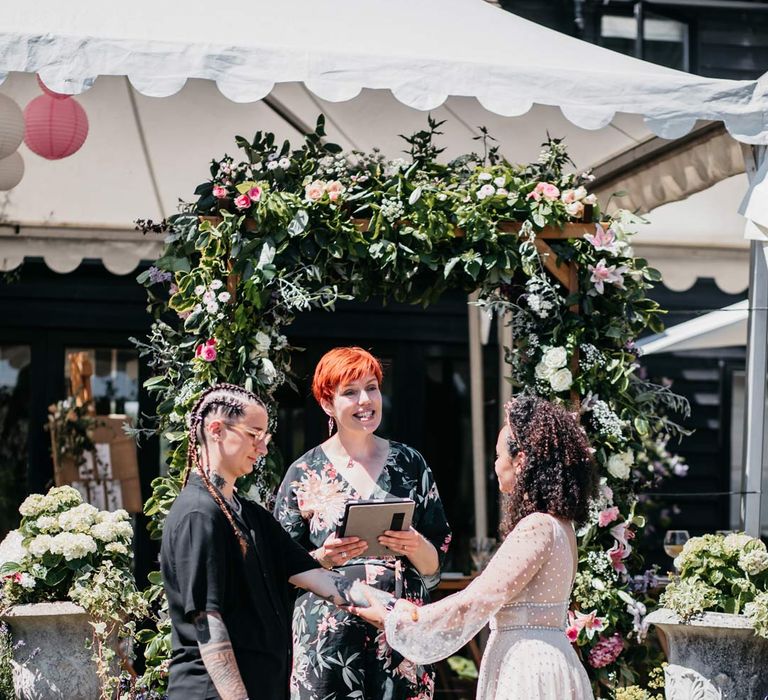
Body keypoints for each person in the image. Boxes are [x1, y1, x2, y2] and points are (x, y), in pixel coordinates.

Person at [351, 395, 598, 700]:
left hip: (528, 667)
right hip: (552, 660)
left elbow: (477, 599)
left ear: (520, 461)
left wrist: (398, 619)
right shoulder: (562, 525)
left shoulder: (536, 525)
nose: (494, 465)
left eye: (498, 456)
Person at [160, 383, 385, 700]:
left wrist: (394, 611)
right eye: (254, 435)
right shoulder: (199, 514)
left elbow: (319, 577)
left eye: (265, 437)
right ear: (216, 430)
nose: (263, 448)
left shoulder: (250, 514)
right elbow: (207, 622)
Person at [273, 347, 452, 700]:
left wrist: (414, 544)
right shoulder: (304, 471)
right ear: (327, 404)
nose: (365, 400)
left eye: (371, 388)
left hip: (399, 630)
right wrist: (322, 557)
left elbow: (437, 562)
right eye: (350, 392)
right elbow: (279, 563)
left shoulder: (410, 463)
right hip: (328, 638)